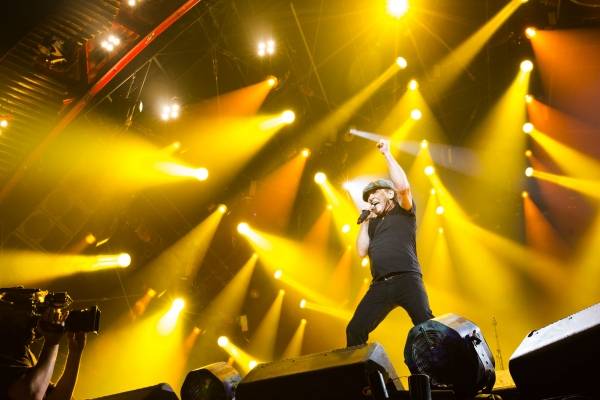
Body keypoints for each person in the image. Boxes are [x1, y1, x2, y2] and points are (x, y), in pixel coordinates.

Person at [346, 138, 434, 347]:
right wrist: (365, 222)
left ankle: (442, 365)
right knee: (354, 330)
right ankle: (359, 369)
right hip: (380, 285)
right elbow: (361, 251)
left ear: (389, 194)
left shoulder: (403, 211)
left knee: (427, 328)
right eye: (368, 196)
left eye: (375, 192)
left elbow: (403, 187)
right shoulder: (372, 224)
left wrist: (387, 154)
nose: (370, 198)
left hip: (407, 278)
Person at [0, 305, 87, 400]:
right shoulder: (5, 351)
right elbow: (29, 393)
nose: (34, 318)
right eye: (27, 312)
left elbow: (57, 398)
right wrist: (51, 343)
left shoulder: (24, 352)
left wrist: (75, 354)